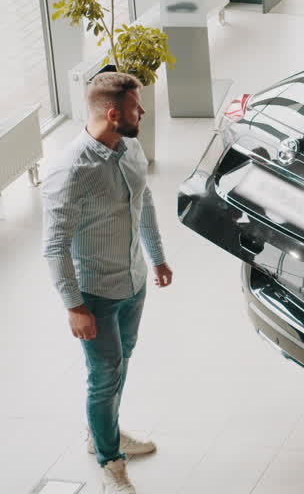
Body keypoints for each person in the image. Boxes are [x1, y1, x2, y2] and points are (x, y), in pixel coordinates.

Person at [42, 72, 174, 494]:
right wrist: (74, 306)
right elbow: (55, 246)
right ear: (113, 113)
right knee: (104, 375)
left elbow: (145, 200)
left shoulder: (131, 147)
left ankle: (104, 431)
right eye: (138, 106)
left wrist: (156, 256)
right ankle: (109, 459)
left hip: (134, 281)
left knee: (121, 363)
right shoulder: (71, 170)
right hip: (95, 294)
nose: (144, 112)